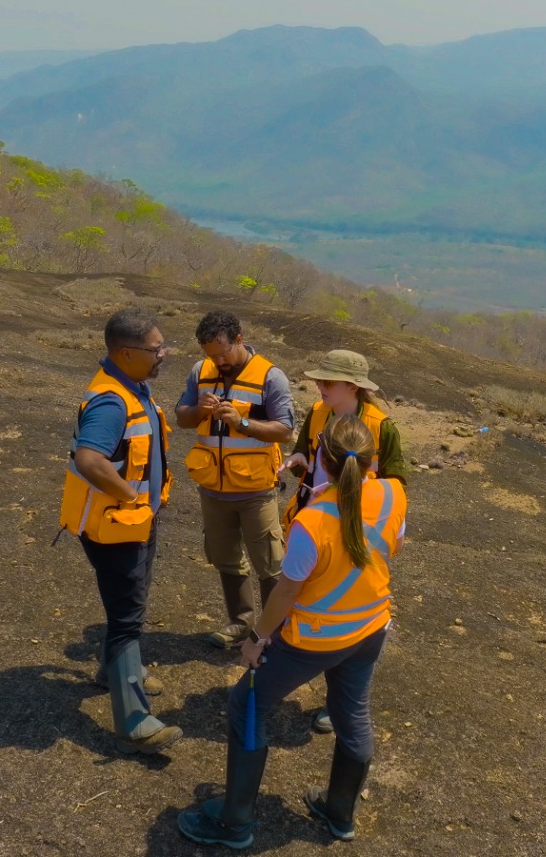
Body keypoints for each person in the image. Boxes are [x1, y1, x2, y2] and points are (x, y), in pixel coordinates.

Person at [177, 415, 408, 848]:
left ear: (323, 458)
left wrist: (256, 639)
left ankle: (235, 824)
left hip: (315, 639)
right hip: (370, 627)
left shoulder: (313, 521)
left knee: (247, 703)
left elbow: (284, 595)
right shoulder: (394, 493)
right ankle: (339, 814)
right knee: (352, 715)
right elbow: (391, 544)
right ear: (371, 461)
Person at [56, 307, 182, 754]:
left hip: (135, 523)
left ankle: (113, 671)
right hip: (117, 526)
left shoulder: (134, 387)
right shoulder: (111, 400)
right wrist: (131, 497)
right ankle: (134, 721)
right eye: (155, 348)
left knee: (129, 602)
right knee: (128, 616)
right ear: (126, 353)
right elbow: (89, 459)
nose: (163, 354)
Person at [282, 348, 409, 733]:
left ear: (352, 387)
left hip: (359, 532)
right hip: (317, 525)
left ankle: (337, 702)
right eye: (319, 380)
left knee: (348, 613)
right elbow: (304, 448)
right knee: (312, 605)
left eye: (327, 382)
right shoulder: (318, 413)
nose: (319, 386)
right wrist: (298, 459)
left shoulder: (381, 426)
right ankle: (332, 692)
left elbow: (397, 482)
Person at [175, 311, 296, 649]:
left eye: (223, 352)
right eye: (210, 354)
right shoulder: (201, 372)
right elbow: (182, 417)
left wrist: (241, 423)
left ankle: (273, 633)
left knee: (270, 563)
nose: (217, 360)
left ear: (239, 339)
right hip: (212, 488)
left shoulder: (271, 377)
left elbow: (285, 430)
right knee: (224, 556)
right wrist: (200, 409)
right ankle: (241, 622)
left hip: (256, 490)